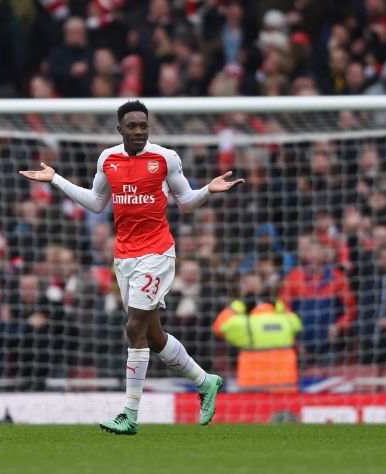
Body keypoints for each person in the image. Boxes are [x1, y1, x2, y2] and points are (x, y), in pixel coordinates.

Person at [19, 100, 244, 435]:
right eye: (132, 126)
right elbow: (96, 203)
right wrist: (56, 180)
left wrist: (208, 191)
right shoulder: (107, 159)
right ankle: (205, 380)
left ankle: (129, 414)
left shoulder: (165, 158)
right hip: (124, 257)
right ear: (120, 129)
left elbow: (184, 203)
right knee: (153, 336)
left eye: (144, 125)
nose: (139, 131)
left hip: (157, 253)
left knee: (133, 328)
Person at [213, 273, 302, 392]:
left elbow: (220, 326)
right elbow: (296, 324)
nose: (251, 287)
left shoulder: (246, 315)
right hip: (284, 384)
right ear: (240, 287)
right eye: (247, 284)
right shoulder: (279, 311)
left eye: (254, 284)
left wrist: (240, 306)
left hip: (254, 384)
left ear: (262, 286)